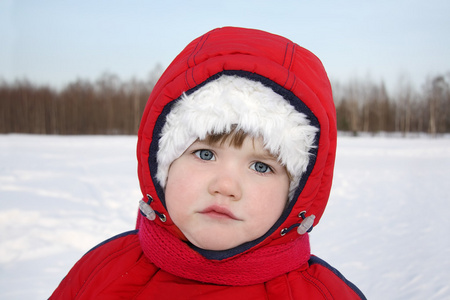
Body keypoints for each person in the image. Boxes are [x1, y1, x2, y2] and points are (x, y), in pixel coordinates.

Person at [50, 26, 366, 299]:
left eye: (261, 166)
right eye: (206, 154)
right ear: (163, 164)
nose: (225, 186)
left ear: (296, 192)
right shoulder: (101, 274)